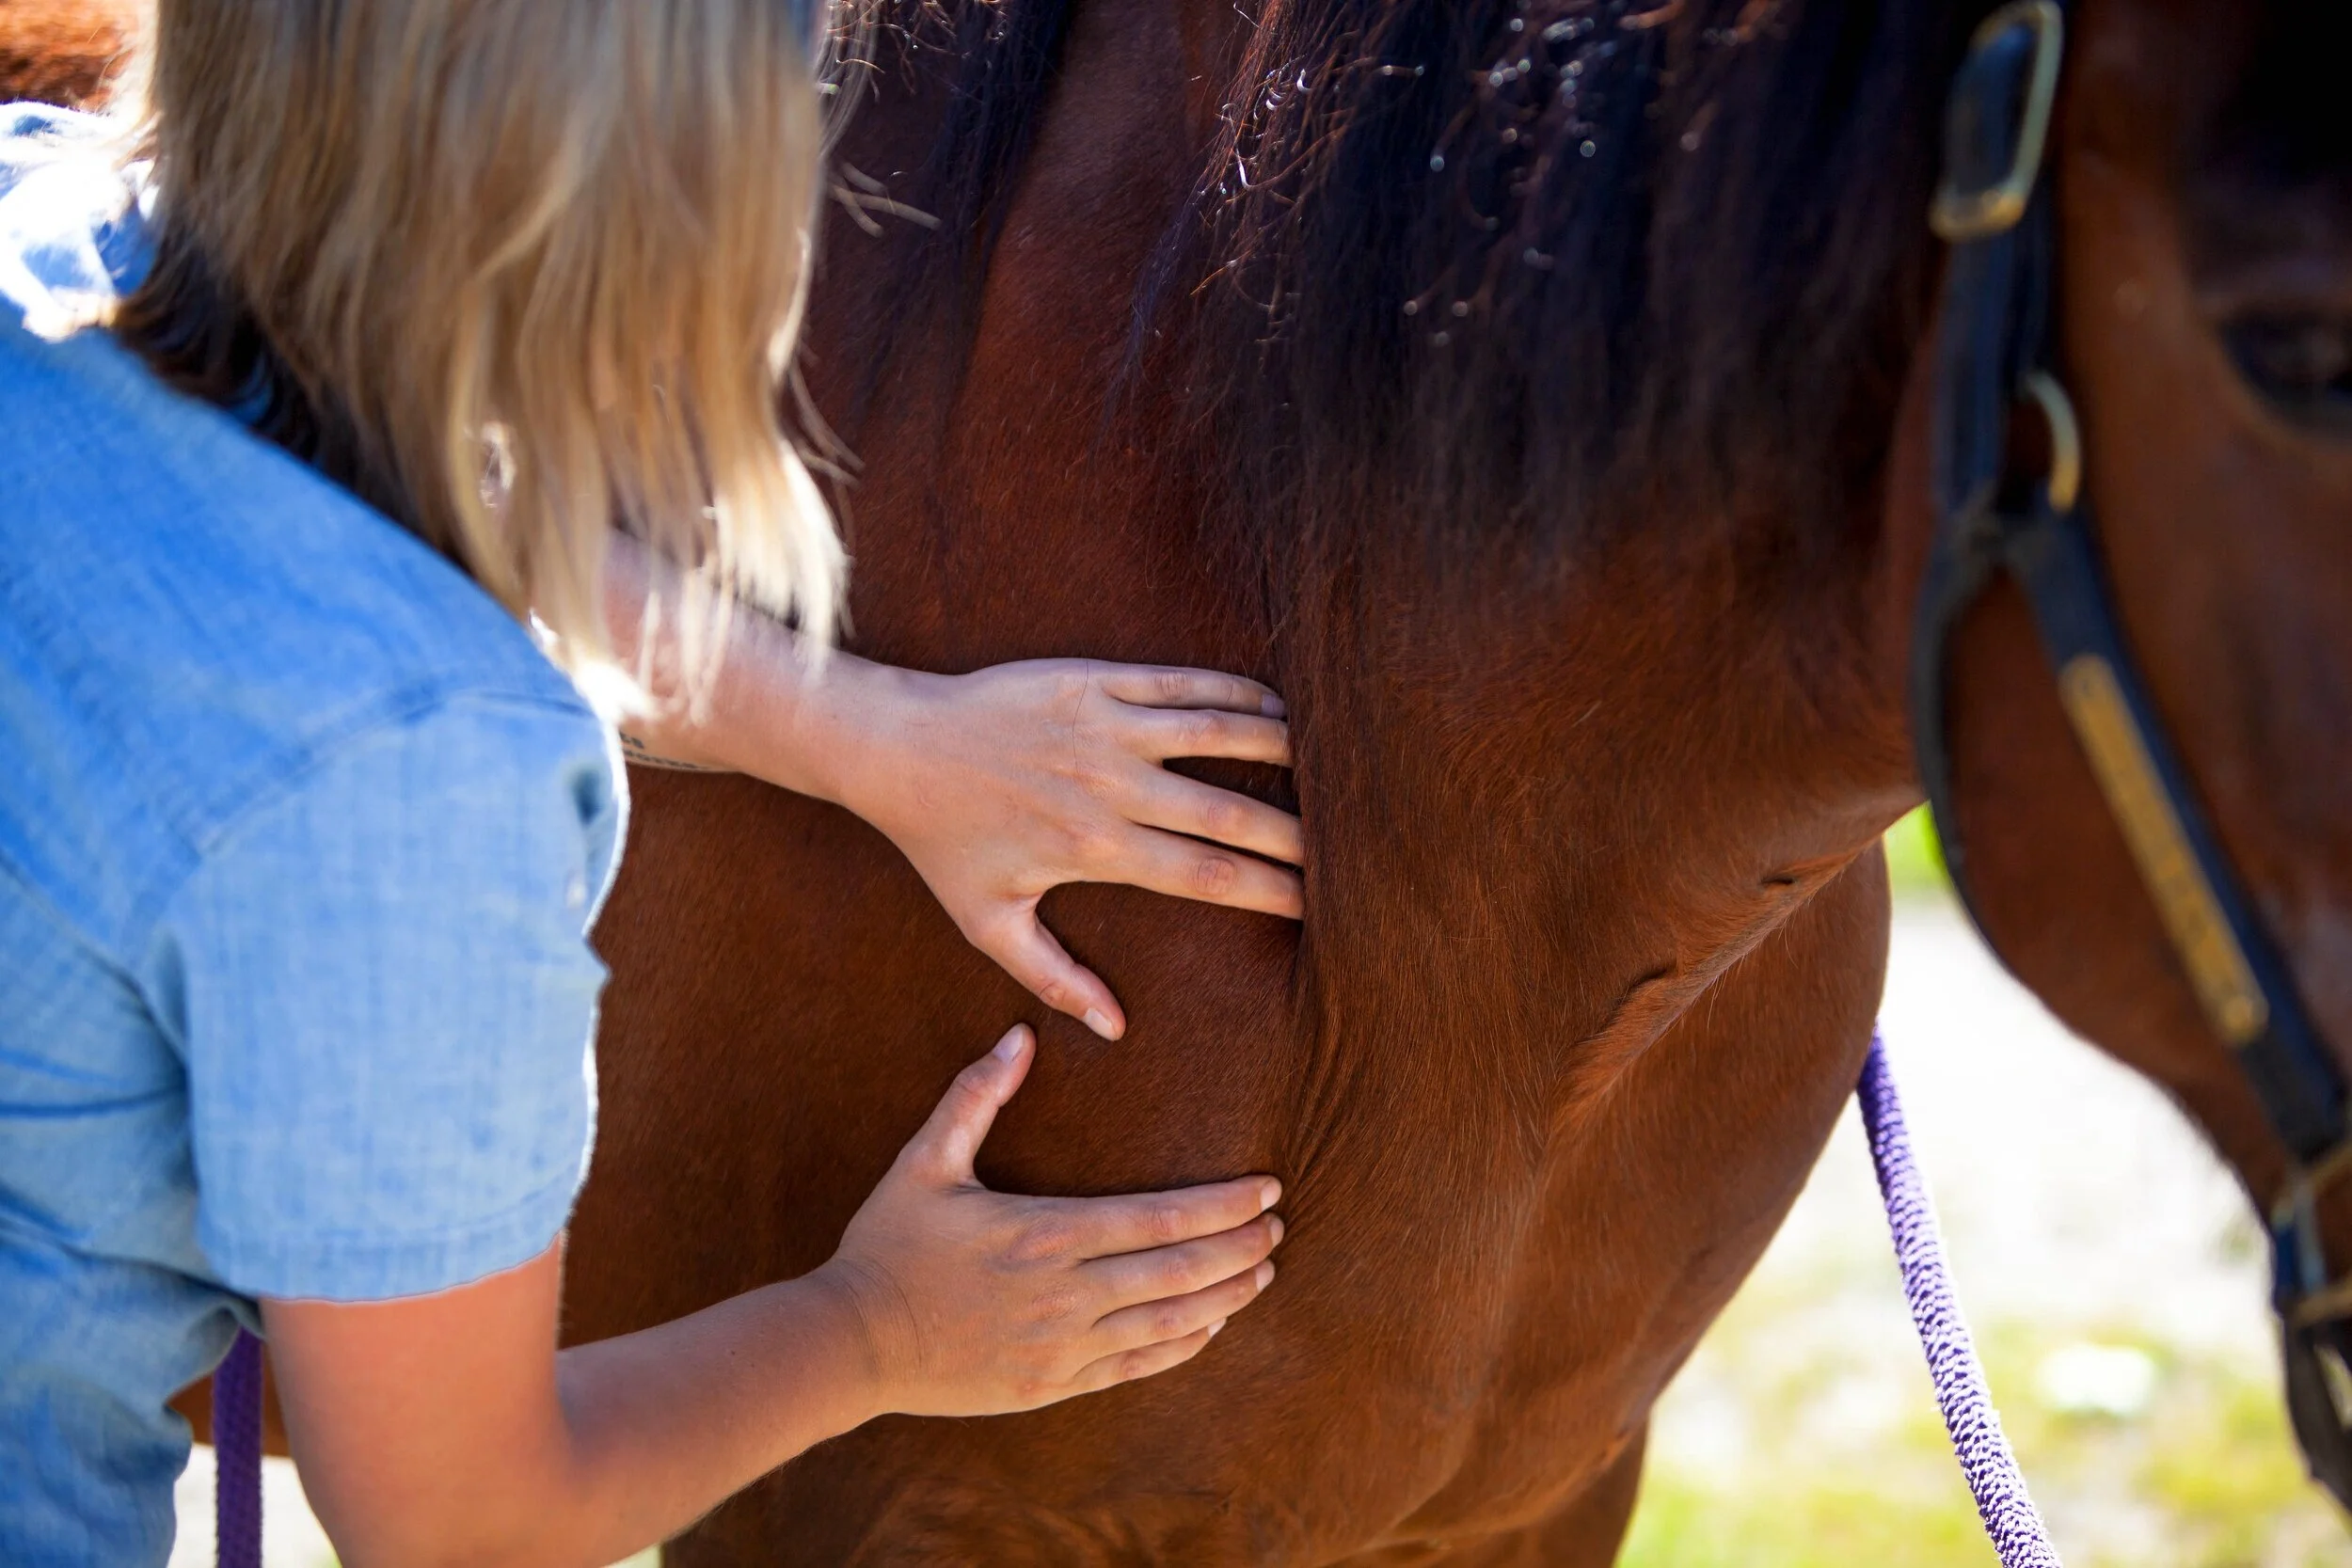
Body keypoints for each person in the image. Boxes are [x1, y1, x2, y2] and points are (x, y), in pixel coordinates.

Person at [0, 4, 1298, 1564]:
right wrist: (873, 1327)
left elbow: (334, 453)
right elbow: (455, 1520)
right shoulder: (417, 780)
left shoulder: (43, 211)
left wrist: (867, 733)